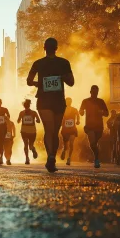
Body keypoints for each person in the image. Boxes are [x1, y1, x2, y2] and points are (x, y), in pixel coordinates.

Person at [27, 38, 75, 172]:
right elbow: (71, 82)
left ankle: (51, 157)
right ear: (56, 48)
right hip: (58, 101)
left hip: (44, 100)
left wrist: (39, 83)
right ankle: (51, 158)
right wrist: (61, 77)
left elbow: (29, 81)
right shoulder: (64, 63)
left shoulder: (38, 63)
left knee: (49, 129)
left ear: (44, 48)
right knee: (55, 131)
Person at [79, 85, 109, 168]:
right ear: (90, 92)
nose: (94, 93)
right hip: (89, 126)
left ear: (98, 92)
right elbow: (80, 111)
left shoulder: (101, 101)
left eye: (96, 92)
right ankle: (96, 159)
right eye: (93, 92)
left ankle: (96, 157)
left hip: (99, 126)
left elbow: (107, 113)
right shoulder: (85, 101)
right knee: (92, 143)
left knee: (94, 143)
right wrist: (81, 112)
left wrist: (101, 112)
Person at [17, 99, 40, 165]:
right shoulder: (33, 112)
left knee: (27, 145)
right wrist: (36, 120)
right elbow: (38, 120)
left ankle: (30, 154)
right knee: (28, 145)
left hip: (28, 131)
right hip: (28, 131)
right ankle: (27, 157)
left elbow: (18, 121)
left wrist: (19, 120)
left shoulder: (24, 113)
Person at [60, 97, 80, 165]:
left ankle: (69, 158)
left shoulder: (74, 109)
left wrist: (78, 120)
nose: (68, 102)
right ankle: (64, 150)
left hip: (72, 129)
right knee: (66, 145)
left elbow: (78, 114)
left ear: (71, 102)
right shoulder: (62, 109)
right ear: (65, 102)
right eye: (67, 101)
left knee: (71, 143)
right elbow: (59, 116)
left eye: (69, 101)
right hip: (65, 129)